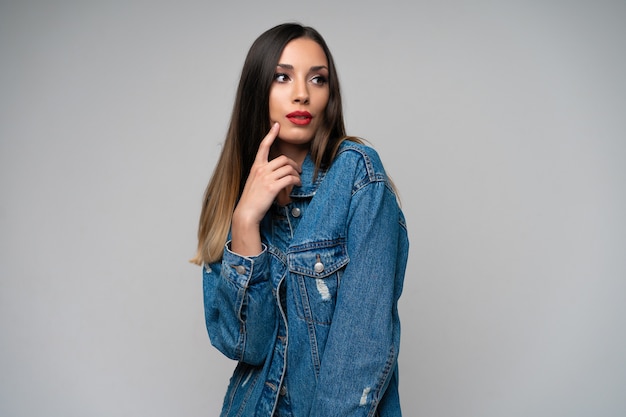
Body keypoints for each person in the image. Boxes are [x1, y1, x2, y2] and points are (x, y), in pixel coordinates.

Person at [192, 23, 409, 417]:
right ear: (258, 90)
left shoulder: (358, 177)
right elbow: (246, 345)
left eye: (317, 79)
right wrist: (244, 223)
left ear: (330, 94)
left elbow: (361, 351)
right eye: (282, 76)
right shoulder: (235, 198)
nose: (302, 94)